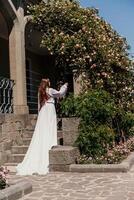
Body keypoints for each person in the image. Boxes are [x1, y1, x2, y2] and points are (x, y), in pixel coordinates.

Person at [16, 78, 68, 175]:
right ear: (47, 83)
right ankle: (50, 145)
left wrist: (39, 115)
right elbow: (60, 93)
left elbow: (38, 106)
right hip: (49, 110)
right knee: (49, 128)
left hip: (43, 111)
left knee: (43, 131)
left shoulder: (40, 92)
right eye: (49, 81)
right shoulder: (50, 90)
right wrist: (64, 86)